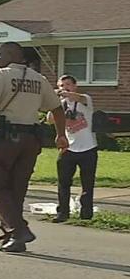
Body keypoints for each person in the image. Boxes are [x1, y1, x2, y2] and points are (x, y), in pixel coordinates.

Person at [0, 41, 67, 253]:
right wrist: (60, 134)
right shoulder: (39, 78)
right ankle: (13, 238)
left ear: (12, 55)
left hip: (4, 139)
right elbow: (57, 108)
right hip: (31, 140)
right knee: (16, 189)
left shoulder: (1, 75)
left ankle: (19, 230)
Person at [51, 75, 98, 222]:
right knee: (63, 182)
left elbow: (77, 97)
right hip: (68, 149)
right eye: (61, 85)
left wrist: (66, 94)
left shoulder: (85, 100)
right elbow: (49, 119)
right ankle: (63, 213)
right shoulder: (61, 106)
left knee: (87, 183)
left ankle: (86, 214)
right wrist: (56, 102)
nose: (64, 88)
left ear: (75, 85)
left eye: (68, 84)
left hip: (88, 148)